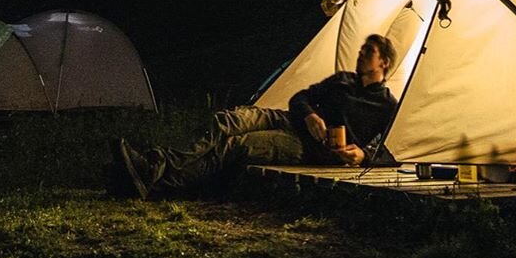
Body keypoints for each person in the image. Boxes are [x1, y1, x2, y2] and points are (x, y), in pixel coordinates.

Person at [114, 33, 399, 199]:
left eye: (369, 52)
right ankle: (155, 164)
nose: (361, 53)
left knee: (234, 146)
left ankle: (156, 182)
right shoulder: (343, 81)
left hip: (309, 148)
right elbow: (299, 98)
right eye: (362, 49)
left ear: (383, 63)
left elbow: (392, 147)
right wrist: (311, 114)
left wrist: (363, 155)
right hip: (290, 120)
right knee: (225, 121)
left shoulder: (386, 104)